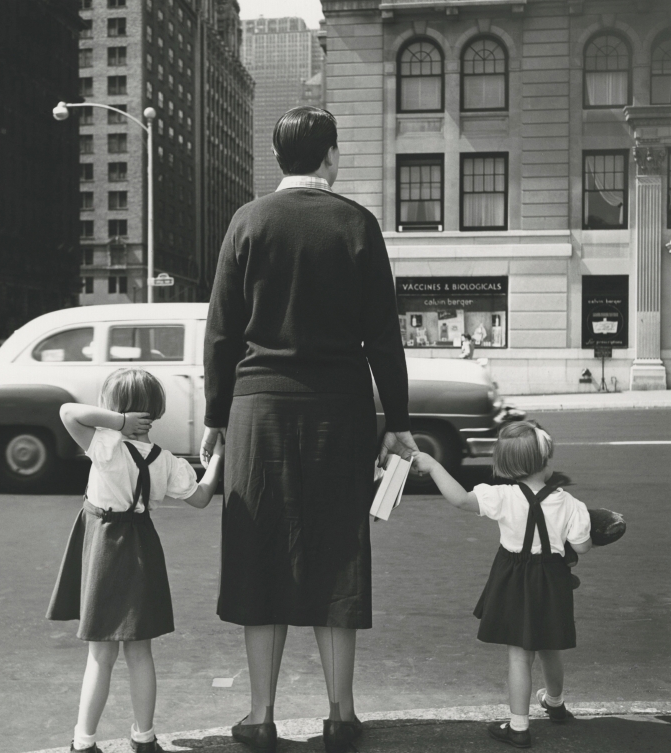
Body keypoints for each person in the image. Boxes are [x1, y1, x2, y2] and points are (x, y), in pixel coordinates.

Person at [201, 106, 417, 753]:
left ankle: (260, 715)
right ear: (331, 156)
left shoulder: (247, 221)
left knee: (259, 551)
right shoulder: (357, 224)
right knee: (336, 554)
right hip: (339, 410)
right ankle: (340, 714)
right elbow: (383, 333)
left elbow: (219, 333)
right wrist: (397, 423)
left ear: (276, 158)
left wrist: (215, 418)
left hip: (257, 409)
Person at [46, 368, 225, 753]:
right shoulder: (166, 462)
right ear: (156, 410)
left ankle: (84, 741)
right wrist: (217, 459)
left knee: (100, 654)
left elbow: (66, 411)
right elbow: (200, 497)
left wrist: (118, 422)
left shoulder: (105, 444)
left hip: (104, 546)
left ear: (114, 409)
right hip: (142, 545)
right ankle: (144, 738)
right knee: (141, 652)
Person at [411, 421, 592, 749]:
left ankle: (519, 726)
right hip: (552, 580)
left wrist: (435, 466)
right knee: (550, 646)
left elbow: (461, 500)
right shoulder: (569, 503)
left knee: (520, 655)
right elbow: (582, 547)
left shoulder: (503, 496)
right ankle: (555, 702)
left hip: (514, 578)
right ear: (544, 459)